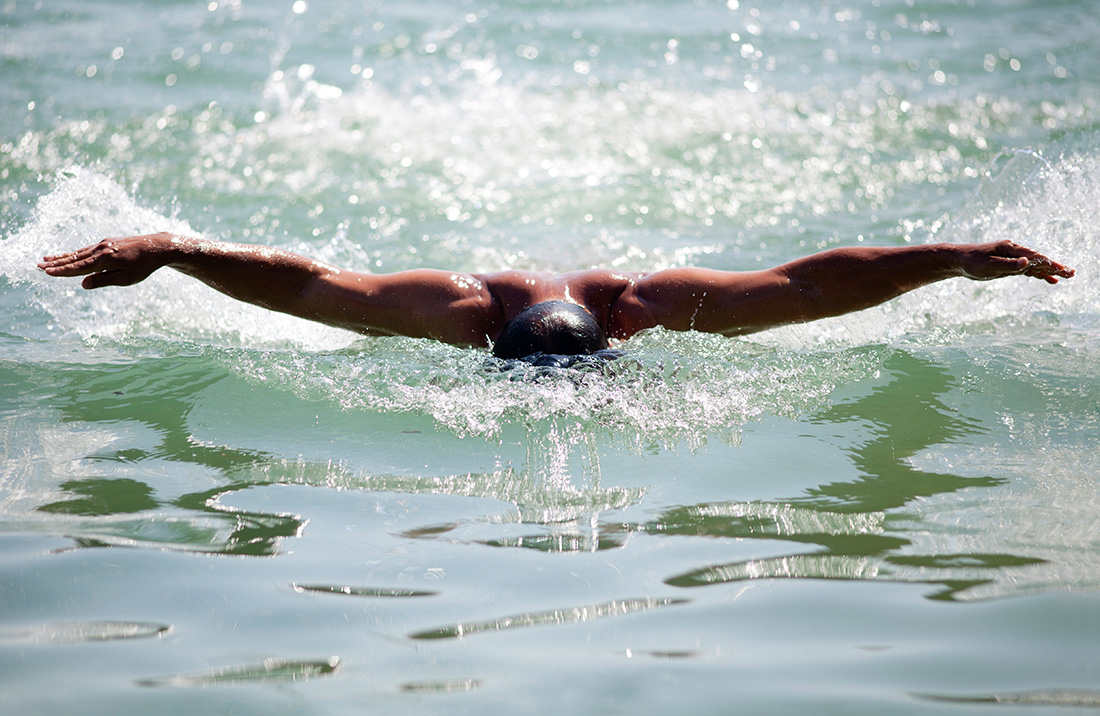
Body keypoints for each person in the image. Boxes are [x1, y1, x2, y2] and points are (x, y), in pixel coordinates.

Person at [38, 232, 1074, 361]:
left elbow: (805, 283)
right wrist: (171, 253)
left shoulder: (649, 299)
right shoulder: (454, 308)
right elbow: (311, 284)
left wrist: (948, 258)